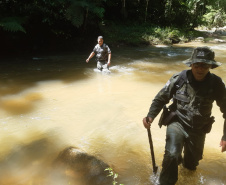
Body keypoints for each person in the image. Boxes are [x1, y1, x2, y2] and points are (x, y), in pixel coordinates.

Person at [142, 46, 226, 185]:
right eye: (197, 64)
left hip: (199, 128)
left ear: (210, 66)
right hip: (177, 122)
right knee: (172, 155)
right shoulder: (179, 78)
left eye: (204, 65)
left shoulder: (216, 84)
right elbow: (161, 98)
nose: (200, 69)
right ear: (191, 64)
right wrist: (150, 116)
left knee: (191, 165)